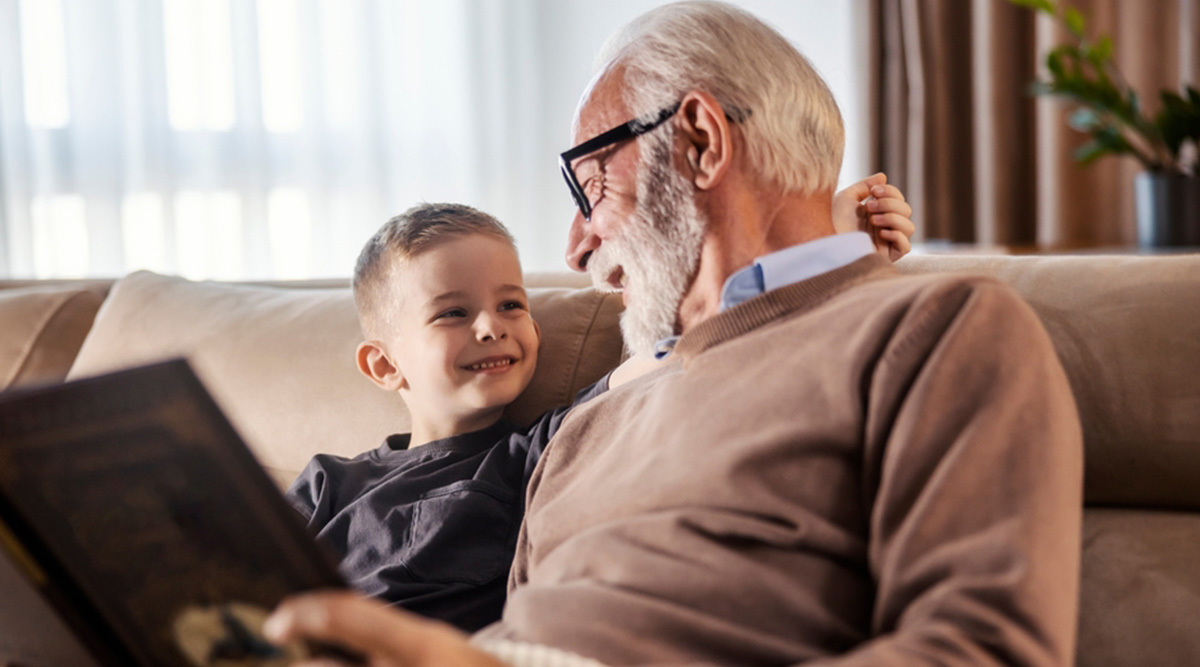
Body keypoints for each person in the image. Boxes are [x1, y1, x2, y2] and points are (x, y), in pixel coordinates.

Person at [265, 2, 1084, 665]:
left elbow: (977, 648)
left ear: (698, 140)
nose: (576, 249)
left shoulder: (936, 331)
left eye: (592, 187)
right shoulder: (590, 423)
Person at [284, 191, 914, 633]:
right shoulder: (328, 483)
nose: (491, 327)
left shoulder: (540, 452)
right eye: (453, 312)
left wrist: (830, 242)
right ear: (384, 365)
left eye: (511, 305)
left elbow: (688, 344)